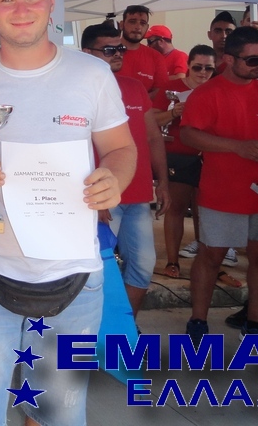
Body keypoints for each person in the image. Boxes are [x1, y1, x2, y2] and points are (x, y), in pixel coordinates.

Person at [0, 0, 135, 426]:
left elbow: (121, 148)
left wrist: (115, 178)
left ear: (51, 2)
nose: (21, 10)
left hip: (74, 277)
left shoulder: (92, 74)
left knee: (59, 418)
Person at [180, 26, 258, 359]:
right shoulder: (208, 93)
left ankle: (257, 327)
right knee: (211, 257)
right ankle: (198, 324)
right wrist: (236, 147)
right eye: (253, 60)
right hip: (223, 193)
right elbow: (188, 135)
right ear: (229, 59)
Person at [82, 22, 169, 318]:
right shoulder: (76, 91)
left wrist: (163, 183)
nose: (118, 53)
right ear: (87, 53)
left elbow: (153, 138)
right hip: (100, 199)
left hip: (138, 196)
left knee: (143, 266)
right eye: (109, 49)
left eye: (119, 48)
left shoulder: (134, 87)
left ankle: (126, 326)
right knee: (98, 268)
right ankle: (98, 330)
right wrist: (95, 198)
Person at [151, 45, 216, 276]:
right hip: (178, 155)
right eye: (197, 67)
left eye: (209, 68)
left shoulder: (218, 89)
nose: (203, 72)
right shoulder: (172, 88)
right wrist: (173, 113)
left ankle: (209, 264)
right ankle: (172, 262)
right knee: (176, 208)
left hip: (210, 157)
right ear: (188, 66)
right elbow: (152, 121)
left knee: (205, 211)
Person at [116, 4, 169, 95]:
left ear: (147, 27)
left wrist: (139, 101)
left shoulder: (156, 57)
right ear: (122, 25)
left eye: (143, 23)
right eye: (132, 22)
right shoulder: (107, 52)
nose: (138, 27)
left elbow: (160, 90)